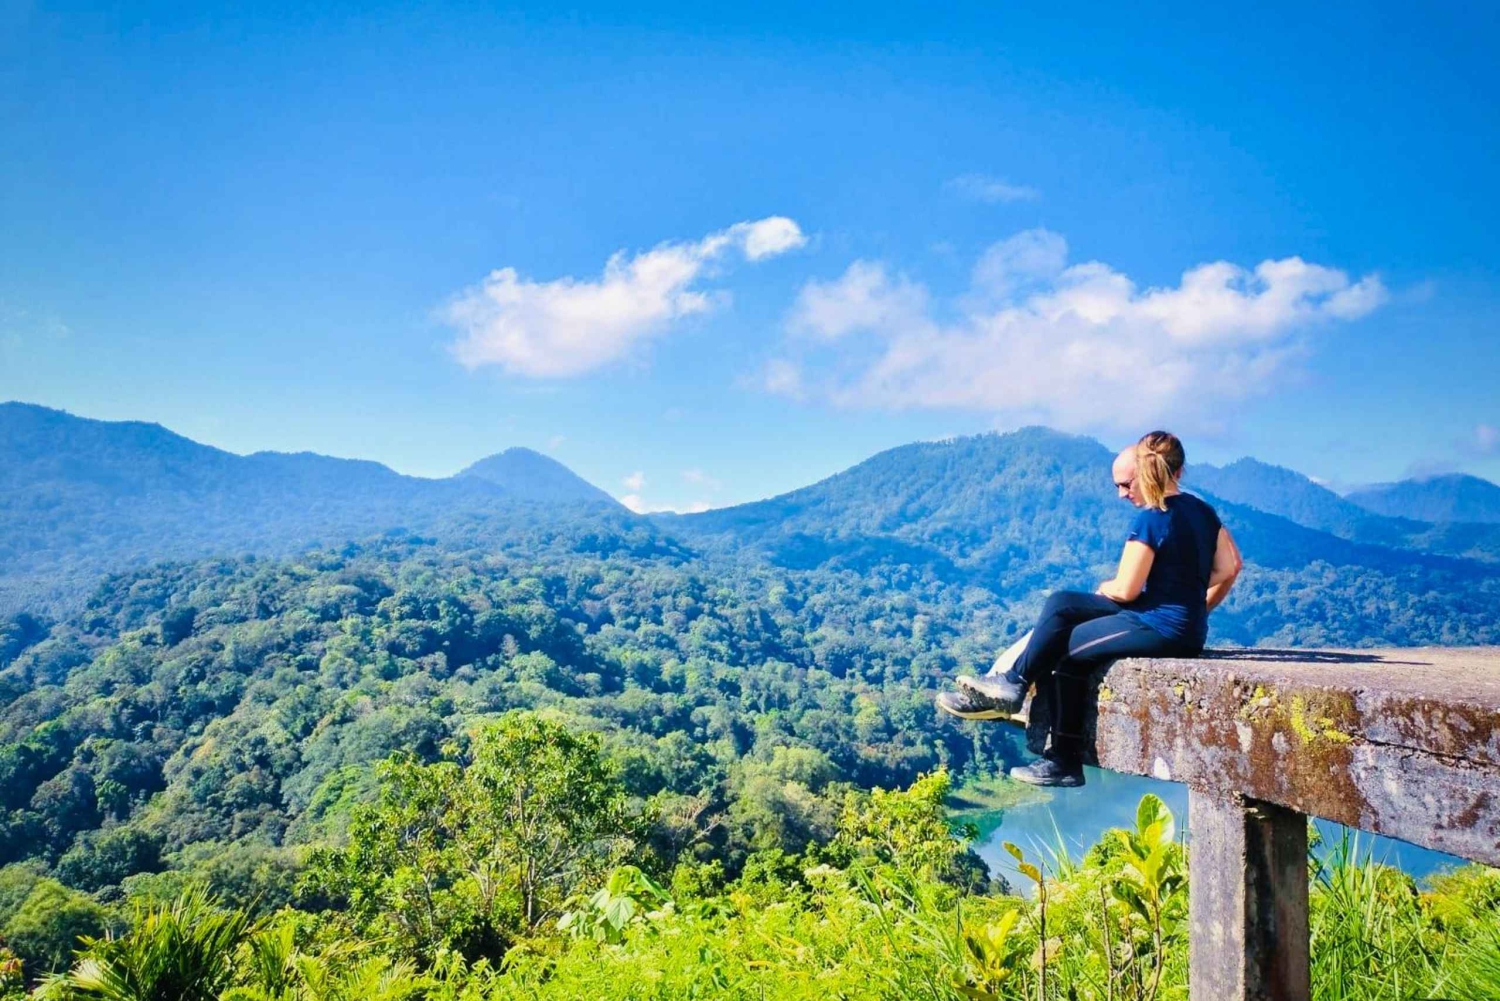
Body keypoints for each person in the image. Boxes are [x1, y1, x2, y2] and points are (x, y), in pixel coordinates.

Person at [936, 431, 1244, 787]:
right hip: (1172, 624)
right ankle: (1011, 683)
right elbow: (1230, 567)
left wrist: (1106, 589)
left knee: (1064, 651)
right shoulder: (1202, 511)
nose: (1122, 494)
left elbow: (1126, 590)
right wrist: (1197, 611)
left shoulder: (1152, 519)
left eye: (1126, 484)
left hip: (1154, 624)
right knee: (1062, 604)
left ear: (1147, 472)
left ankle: (1061, 760)